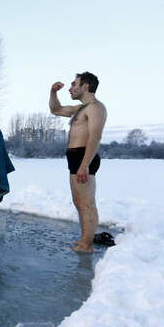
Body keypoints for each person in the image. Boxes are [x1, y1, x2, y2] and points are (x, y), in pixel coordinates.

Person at [49, 72, 107, 253]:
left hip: (84, 158)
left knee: (87, 203)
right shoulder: (80, 109)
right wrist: (52, 92)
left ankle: (87, 245)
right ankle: (84, 240)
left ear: (85, 86)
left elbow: (95, 137)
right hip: (75, 158)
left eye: (74, 84)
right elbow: (55, 110)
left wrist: (84, 165)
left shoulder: (96, 108)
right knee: (78, 202)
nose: (70, 88)